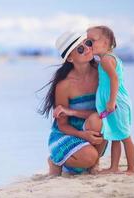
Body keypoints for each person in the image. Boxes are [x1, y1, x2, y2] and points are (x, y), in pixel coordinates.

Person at [39, 30, 107, 175]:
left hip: (91, 126)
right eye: (80, 49)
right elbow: (62, 124)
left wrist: (73, 112)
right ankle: (55, 161)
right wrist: (83, 135)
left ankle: (93, 164)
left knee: (99, 119)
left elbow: (106, 111)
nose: (88, 49)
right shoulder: (64, 85)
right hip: (66, 134)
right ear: (70, 58)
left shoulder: (102, 73)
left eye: (88, 43)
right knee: (89, 156)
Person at [86, 25, 134, 174]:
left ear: (106, 43)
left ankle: (132, 168)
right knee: (115, 135)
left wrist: (111, 101)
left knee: (125, 136)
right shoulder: (107, 59)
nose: (88, 45)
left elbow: (115, 80)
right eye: (87, 41)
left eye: (91, 41)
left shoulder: (106, 60)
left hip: (116, 104)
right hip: (113, 103)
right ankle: (114, 167)